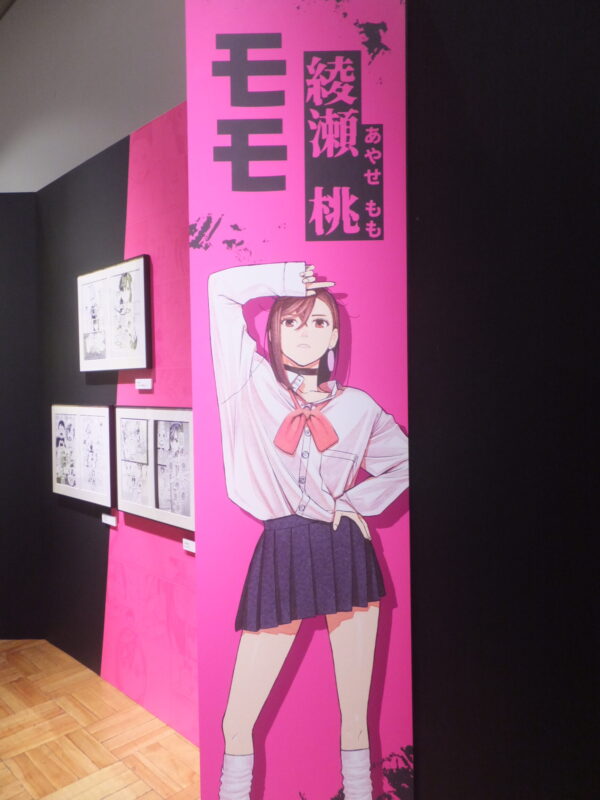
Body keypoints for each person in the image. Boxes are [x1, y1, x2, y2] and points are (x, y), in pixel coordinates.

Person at [208, 261, 409, 800]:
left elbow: (407, 460)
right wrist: (285, 281)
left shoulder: (359, 408)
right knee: (236, 720)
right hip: (284, 549)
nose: (305, 333)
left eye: (319, 322)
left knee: (355, 717)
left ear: (335, 335)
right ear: (272, 333)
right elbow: (220, 290)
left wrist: (355, 503)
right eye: (291, 322)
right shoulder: (248, 384)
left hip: (344, 549)